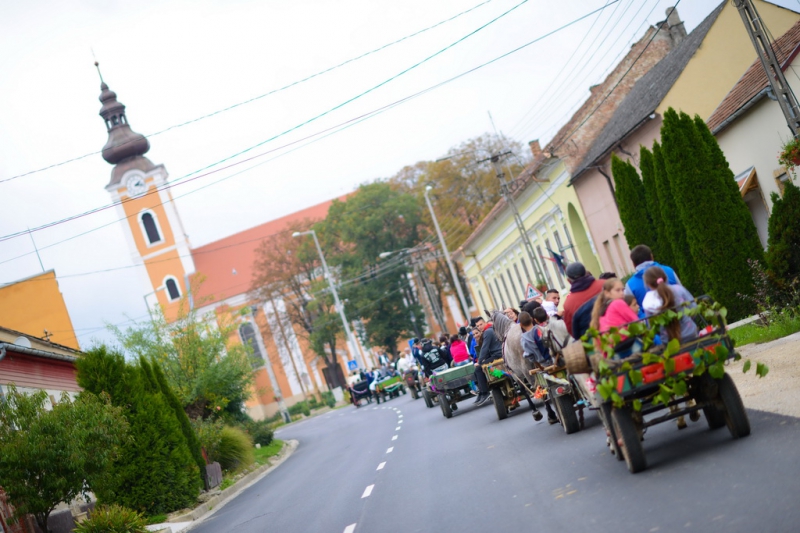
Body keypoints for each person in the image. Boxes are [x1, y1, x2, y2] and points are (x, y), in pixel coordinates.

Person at [519, 311, 559, 424]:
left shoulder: (524, 340)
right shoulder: (542, 329)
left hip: (544, 365)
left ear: (521, 325)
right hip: (556, 359)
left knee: (550, 389)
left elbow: (530, 356)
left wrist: (539, 365)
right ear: (532, 319)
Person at [642, 266, 698, 342]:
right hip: (691, 333)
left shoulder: (648, 301)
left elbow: (652, 327)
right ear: (664, 277)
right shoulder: (679, 289)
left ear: (648, 284)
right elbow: (694, 308)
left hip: (669, 342)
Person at [625, 245, 680, 317]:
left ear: (633, 264)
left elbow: (632, 311)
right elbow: (681, 292)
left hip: (652, 324)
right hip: (679, 316)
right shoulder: (668, 270)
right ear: (652, 257)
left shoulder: (630, 285)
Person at [562, 262, 604, 337]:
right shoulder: (605, 285)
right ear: (586, 272)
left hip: (593, 341)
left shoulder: (569, 303)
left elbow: (572, 330)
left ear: (568, 281)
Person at [473, 322, 502, 407]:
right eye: (477, 326)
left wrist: (479, 362)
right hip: (497, 354)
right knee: (476, 371)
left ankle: (485, 392)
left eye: (480, 324)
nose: (479, 327)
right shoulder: (491, 329)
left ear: (485, 323)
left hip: (498, 355)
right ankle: (481, 392)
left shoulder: (488, 332)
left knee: (478, 369)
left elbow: (485, 348)